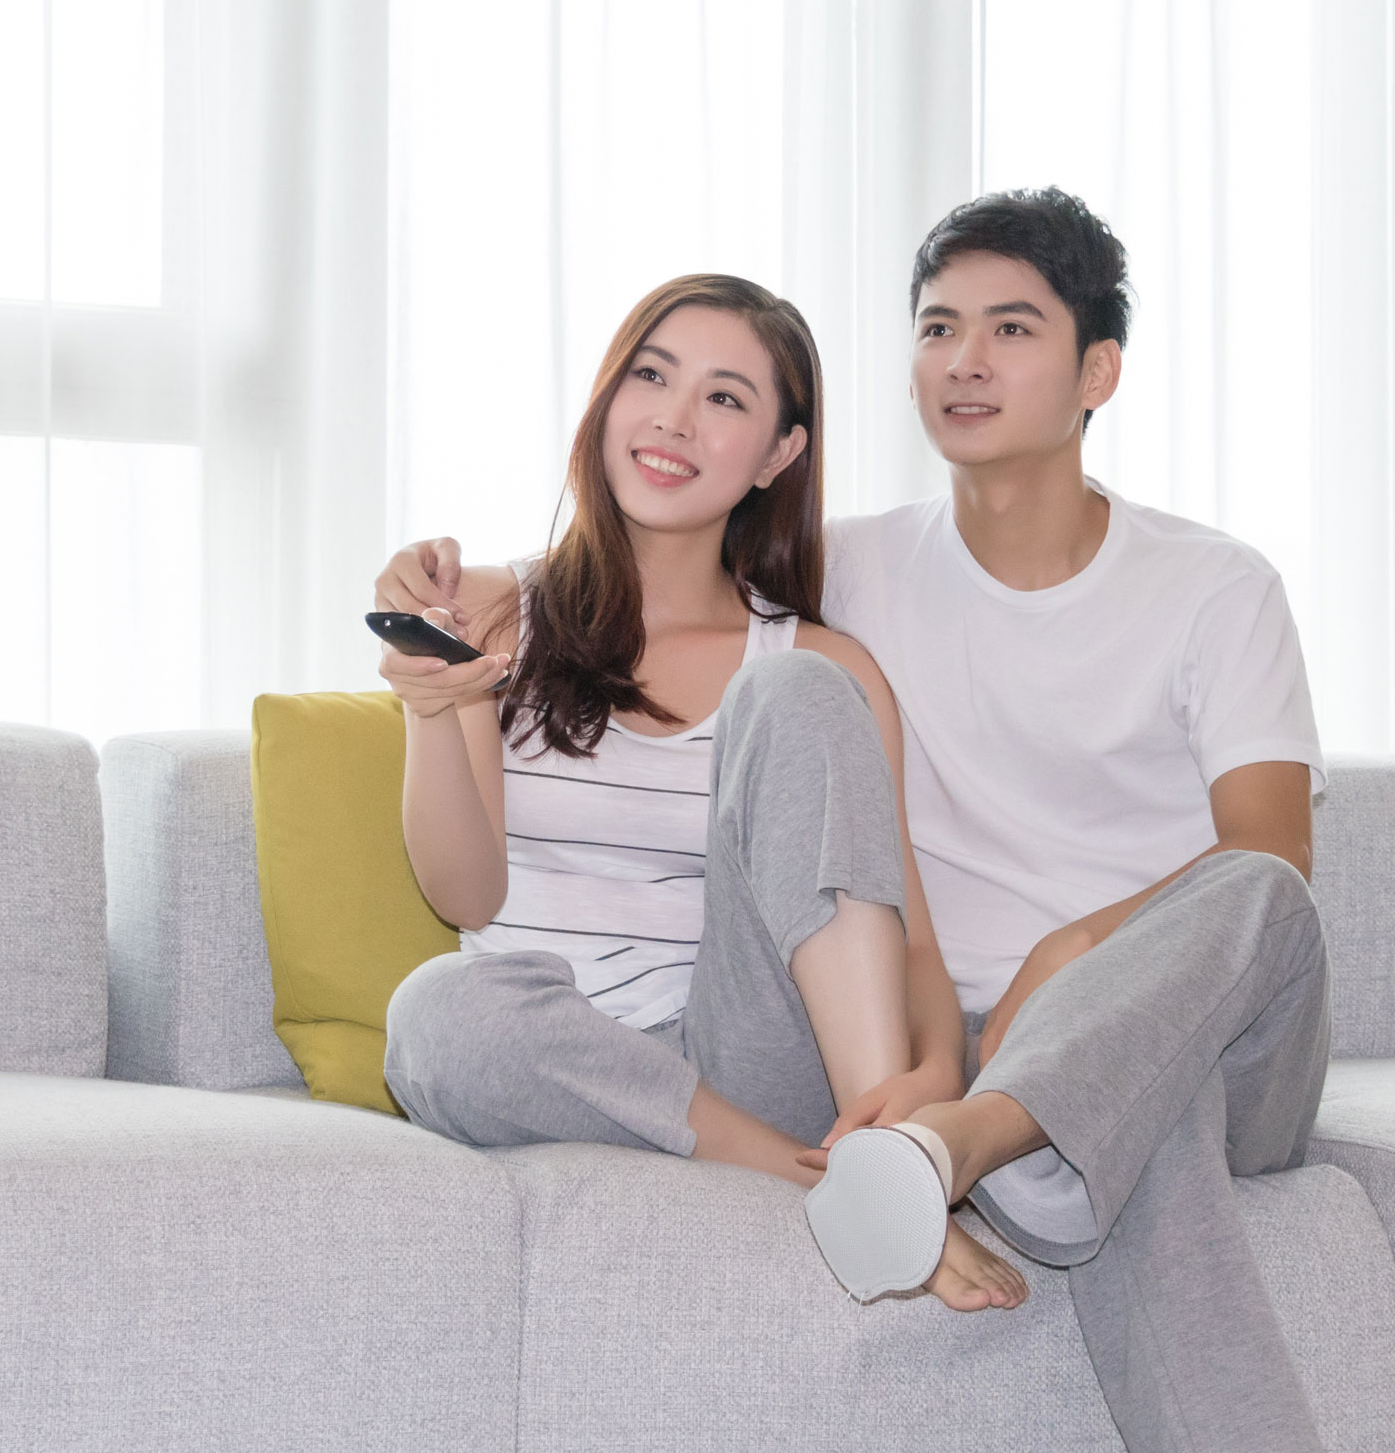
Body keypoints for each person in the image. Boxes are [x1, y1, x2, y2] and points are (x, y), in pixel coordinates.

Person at [379, 193, 1331, 1453]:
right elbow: (478, 871)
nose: (966, 360)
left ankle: (953, 1148)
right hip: (773, 1057)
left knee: (1237, 926)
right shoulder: (795, 578)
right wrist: (450, 651)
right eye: (939, 327)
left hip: (1111, 1015)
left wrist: (1027, 994)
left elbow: (1264, 850)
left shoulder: (1208, 587)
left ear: (1098, 371)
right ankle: (897, 1168)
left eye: (1011, 329)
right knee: (437, 1013)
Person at [375, 272, 1027, 1313]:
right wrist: (432, 706)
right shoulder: (494, 611)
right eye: (652, 376)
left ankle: (882, 1159)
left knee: (798, 688)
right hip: (556, 1054)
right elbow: (465, 897)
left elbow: (902, 936)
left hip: (746, 1047)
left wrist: (936, 1079)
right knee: (436, 1012)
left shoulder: (822, 663)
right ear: (608, 397)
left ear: (778, 455)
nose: (673, 418)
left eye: (724, 397)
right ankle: (823, 1182)